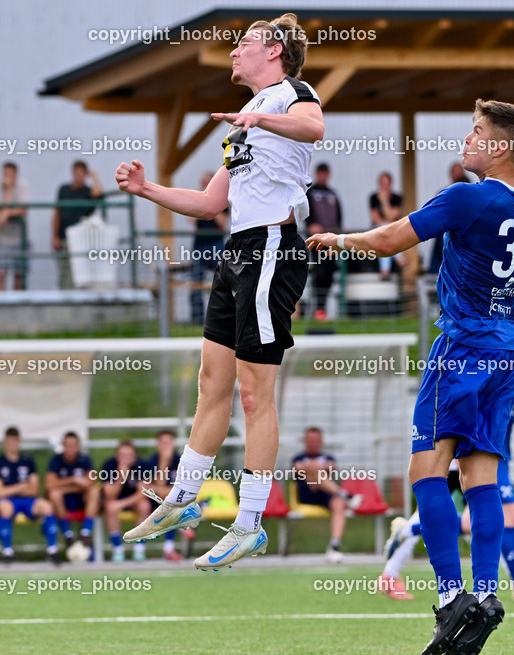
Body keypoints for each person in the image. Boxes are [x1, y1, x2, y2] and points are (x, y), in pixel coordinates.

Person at [308, 98, 514, 655]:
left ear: (500, 146)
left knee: (427, 469)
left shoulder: (466, 197)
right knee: (482, 473)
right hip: (510, 351)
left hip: (461, 350)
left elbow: (388, 242)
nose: (467, 140)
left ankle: (451, 596)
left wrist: (335, 241)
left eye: (477, 132)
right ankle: (484, 593)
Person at [117, 13, 322, 571]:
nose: (233, 53)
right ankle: (184, 498)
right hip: (237, 250)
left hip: (273, 249)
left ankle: (249, 523)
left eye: (243, 44)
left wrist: (258, 118)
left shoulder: (291, 95)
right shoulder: (242, 126)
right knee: (212, 383)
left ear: (274, 49)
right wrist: (146, 189)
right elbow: (211, 204)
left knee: (256, 395)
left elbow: (313, 129)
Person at [380, 368, 514, 602]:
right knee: (505, 515)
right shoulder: (481, 359)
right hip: (477, 451)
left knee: (473, 518)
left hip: (497, 452)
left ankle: (400, 550)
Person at [290, 426, 364, 563]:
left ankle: (334, 546)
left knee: (339, 504)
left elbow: (331, 467)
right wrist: (315, 467)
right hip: (307, 494)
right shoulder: (298, 457)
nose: (312, 442)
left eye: (315, 440)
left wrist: (311, 467)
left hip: (326, 494)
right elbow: (297, 469)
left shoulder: (328, 457)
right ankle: (345, 495)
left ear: (321, 441)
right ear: (305, 441)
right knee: (315, 473)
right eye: (310, 439)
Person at [0, 427, 61, 564]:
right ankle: (7, 552)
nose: (13, 445)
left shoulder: (27, 460)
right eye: (10, 441)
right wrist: (21, 486)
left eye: (15, 441)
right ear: (5, 442)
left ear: (19, 441)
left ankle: (52, 549)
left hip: (28, 500)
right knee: (5, 507)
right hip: (8, 501)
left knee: (47, 507)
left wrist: (10, 489)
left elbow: (34, 489)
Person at [45, 432, 99, 552]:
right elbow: (49, 484)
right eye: (68, 445)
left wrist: (66, 488)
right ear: (63, 446)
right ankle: (67, 534)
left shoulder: (85, 459)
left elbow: (91, 482)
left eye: (73, 445)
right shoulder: (56, 460)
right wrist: (74, 479)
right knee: (54, 494)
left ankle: (85, 533)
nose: (70, 448)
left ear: (78, 446)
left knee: (94, 492)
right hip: (64, 502)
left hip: (81, 500)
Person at [53, 161, 102, 289]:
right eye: (76, 173)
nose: (78, 176)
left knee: (80, 271)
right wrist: (55, 236)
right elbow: (57, 213)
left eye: (82, 174)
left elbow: (98, 193)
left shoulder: (87, 192)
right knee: (65, 271)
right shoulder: (64, 190)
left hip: (82, 240)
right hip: (64, 237)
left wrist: (94, 176)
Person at [141, 429, 189, 561]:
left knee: (169, 498)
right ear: (157, 445)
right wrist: (164, 462)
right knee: (164, 497)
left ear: (173, 444)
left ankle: (169, 548)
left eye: (168, 442)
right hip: (153, 501)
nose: (165, 446)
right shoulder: (151, 461)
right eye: (163, 443)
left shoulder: (182, 460)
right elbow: (157, 484)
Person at [100, 441, 151, 562]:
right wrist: (120, 477)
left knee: (145, 505)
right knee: (110, 507)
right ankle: (117, 548)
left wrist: (121, 504)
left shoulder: (141, 466)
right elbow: (109, 495)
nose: (126, 459)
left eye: (129, 455)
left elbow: (143, 492)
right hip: (115, 499)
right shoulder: (109, 465)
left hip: (133, 501)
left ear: (135, 456)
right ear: (117, 456)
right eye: (122, 455)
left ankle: (139, 547)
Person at [190, 172, 229, 325]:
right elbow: (191, 219)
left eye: (207, 182)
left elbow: (221, 222)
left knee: (221, 281)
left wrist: (210, 206)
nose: (204, 185)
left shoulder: (223, 202)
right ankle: (197, 319)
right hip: (199, 245)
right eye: (202, 182)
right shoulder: (196, 199)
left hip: (216, 244)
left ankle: (220, 317)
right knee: (195, 282)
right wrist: (201, 202)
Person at [305, 162, 343, 320]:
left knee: (329, 272)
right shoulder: (310, 193)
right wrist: (310, 225)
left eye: (325, 173)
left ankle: (324, 309)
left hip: (332, 241)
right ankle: (318, 308)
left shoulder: (333, 194)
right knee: (319, 273)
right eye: (320, 173)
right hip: (316, 242)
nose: (322, 176)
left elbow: (339, 216)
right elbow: (305, 213)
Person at [0, 162, 31, 291]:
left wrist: (7, 213)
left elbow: (22, 209)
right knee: (1, 275)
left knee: (19, 277)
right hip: (3, 240)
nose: (7, 177)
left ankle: (18, 307)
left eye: (10, 174)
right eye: (5, 174)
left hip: (20, 240)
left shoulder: (23, 186)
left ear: (16, 175)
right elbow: (2, 208)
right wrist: (8, 190)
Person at [428, 162, 472, 276]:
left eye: (459, 173)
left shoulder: (474, 194)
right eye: (455, 173)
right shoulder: (443, 194)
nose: (457, 176)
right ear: (450, 175)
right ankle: (435, 274)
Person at [369, 171, 404, 279]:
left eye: (386, 184)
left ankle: (385, 270)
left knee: (385, 233)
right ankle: (399, 258)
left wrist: (384, 201)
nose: (384, 187)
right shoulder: (373, 198)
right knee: (384, 230)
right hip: (380, 231)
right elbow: (376, 220)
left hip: (391, 232)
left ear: (390, 184)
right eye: (382, 184)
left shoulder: (397, 198)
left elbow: (392, 217)